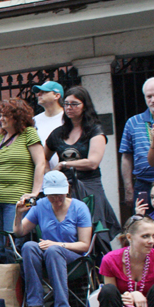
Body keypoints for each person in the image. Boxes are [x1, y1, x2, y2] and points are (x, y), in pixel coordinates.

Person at [13, 171, 93, 307]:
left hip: (73, 254)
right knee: (29, 246)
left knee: (53, 251)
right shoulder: (39, 204)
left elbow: (84, 245)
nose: (56, 200)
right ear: (45, 193)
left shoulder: (80, 207)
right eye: (51, 196)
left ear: (67, 190)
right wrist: (18, 214)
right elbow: (19, 232)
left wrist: (57, 244)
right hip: (47, 252)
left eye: (60, 195)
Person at [45, 85, 120, 240]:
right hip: (65, 188)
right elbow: (43, 157)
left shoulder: (95, 130)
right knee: (67, 230)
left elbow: (93, 162)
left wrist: (64, 164)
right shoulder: (58, 133)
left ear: (84, 106)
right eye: (66, 104)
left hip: (89, 184)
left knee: (96, 230)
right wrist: (49, 174)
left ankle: (100, 263)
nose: (69, 108)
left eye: (74, 104)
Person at [0, 98, 45, 262]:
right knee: (0, 245)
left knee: (14, 242)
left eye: (5, 115)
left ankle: (20, 282)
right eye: (0, 115)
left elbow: (41, 163)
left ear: (18, 116)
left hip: (19, 199)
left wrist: (35, 193)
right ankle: (8, 284)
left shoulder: (29, 134)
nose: (1, 119)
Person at [122, 76, 154, 208]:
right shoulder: (133, 122)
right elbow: (126, 157)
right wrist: (128, 189)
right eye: (149, 96)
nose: (153, 100)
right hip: (144, 184)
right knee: (144, 225)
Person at [32, 81, 65, 169]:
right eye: (39, 92)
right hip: (40, 173)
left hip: (66, 173)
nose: (39, 94)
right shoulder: (34, 121)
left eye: (44, 92)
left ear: (57, 96)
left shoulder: (67, 118)